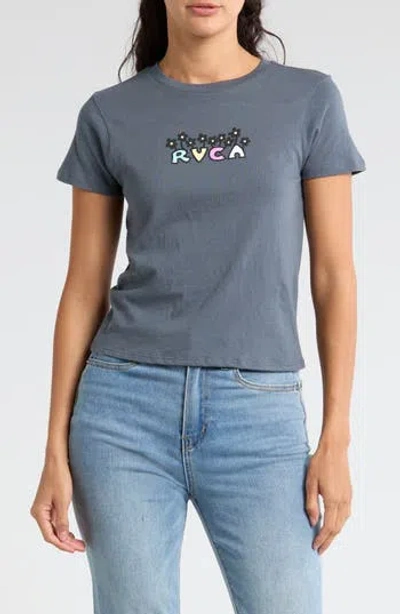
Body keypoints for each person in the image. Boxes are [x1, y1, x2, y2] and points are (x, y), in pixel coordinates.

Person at [30, 1, 366, 613]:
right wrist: (54, 447)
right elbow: (82, 287)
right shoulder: (110, 113)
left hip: (258, 415)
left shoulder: (308, 101)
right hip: (121, 414)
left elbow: (333, 276)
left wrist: (336, 437)